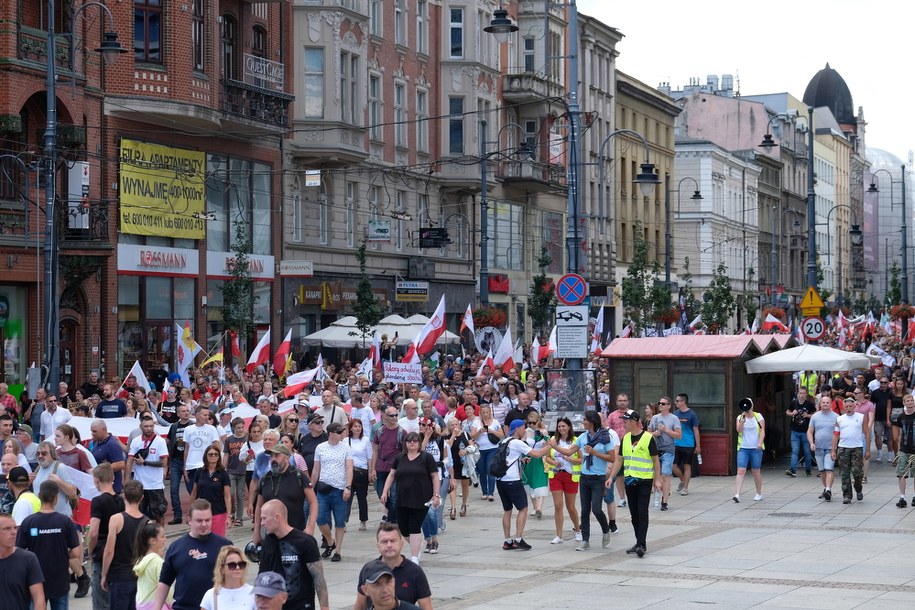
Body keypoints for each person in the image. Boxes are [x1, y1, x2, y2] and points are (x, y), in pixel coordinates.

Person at [152, 499, 232, 610]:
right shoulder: (176, 548)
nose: (204, 524)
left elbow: (235, 581)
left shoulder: (225, 546)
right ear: (189, 520)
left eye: (207, 520)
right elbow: (165, 582)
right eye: (199, 520)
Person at [17, 480, 87, 604]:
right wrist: (63, 555)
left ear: (39, 496)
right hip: (59, 579)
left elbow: (19, 551)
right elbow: (76, 552)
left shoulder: (28, 522)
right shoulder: (65, 522)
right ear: (55, 498)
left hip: (35, 578)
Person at [258, 499, 329, 610]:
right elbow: (262, 575)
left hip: (301, 605)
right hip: (275, 605)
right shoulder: (268, 542)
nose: (261, 523)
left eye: (264, 518)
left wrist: (324, 607)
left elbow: (318, 578)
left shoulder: (305, 541)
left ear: (277, 517)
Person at [559, 410, 614, 551]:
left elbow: (612, 458)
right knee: (584, 511)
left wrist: (595, 452)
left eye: (584, 420)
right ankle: (585, 541)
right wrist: (553, 446)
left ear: (592, 421)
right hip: (584, 477)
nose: (582, 422)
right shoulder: (582, 437)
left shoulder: (605, 437)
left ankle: (605, 528)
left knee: (596, 509)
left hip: (598, 478)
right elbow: (569, 451)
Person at [608, 409, 661, 558]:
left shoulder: (648, 438)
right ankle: (638, 541)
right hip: (630, 480)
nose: (623, 423)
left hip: (644, 480)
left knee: (642, 512)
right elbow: (619, 460)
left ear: (634, 421)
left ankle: (642, 544)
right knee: (634, 515)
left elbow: (655, 460)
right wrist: (611, 477)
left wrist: (657, 479)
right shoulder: (625, 438)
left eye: (626, 421)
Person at [380, 431, 439, 564]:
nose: (412, 443)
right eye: (409, 441)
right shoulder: (400, 458)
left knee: (414, 526)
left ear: (419, 443)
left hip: (421, 498)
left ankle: (414, 557)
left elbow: (435, 476)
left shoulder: (426, 457)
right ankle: (417, 544)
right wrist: (385, 491)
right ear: (405, 443)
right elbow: (391, 475)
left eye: (415, 441)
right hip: (403, 498)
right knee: (404, 528)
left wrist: (436, 495)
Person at [495, 419, 550, 552]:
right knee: (523, 508)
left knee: (507, 510)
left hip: (500, 480)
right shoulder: (517, 443)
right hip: (513, 480)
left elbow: (509, 458)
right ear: (517, 429)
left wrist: (521, 460)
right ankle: (518, 539)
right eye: (523, 428)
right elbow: (536, 454)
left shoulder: (503, 441)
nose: (525, 430)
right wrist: (550, 445)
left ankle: (507, 540)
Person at [353, 522, 432, 610]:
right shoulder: (369, 570)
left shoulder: (415, 571)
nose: (389, 545)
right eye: (384, 542)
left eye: (393, 541)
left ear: (401, 544)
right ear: (378, 546)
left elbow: (426, 607)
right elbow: (360, 605)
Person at [252, 444, 318, 547]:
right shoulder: (266, 479)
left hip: (295, 532)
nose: (273, 459)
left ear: (287, 457)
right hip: (270, 535)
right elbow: (259, 507)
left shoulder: (299, 476)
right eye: (272, 456)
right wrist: (256, 531)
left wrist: (310, 526)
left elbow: (313, 502)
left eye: (277, 456)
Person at [101, 480, 146, 609]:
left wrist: (104, 574)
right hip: (138, 576)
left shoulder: (116, 519)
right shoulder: (147, 522)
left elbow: (109, 550)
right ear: (142, 497)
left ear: (123, 496)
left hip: (119, 576)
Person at [312, 422, 353, 562]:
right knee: (320, 519)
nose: (342, 434)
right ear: (331, 434)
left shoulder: (346, 447)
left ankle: (338, 551)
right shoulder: (320, 447)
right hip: (323, 488)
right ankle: (330, 541)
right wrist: (311, 486)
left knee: (340, 521)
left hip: (339, 488)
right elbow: (316, 469)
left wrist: (348, 486)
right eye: (339, 432)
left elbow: (349, 468)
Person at [89, 463, 125, 610]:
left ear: (97, 480)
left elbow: (93, 532)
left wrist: (91, 551)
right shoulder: (121, 501)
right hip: (120, 553)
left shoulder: (98, 501)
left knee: (101, 600)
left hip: (102, 552)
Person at [544, 416, 582, 544]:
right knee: (558, 505)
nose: (561, 428)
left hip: (570, 476)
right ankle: (559, 535)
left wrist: (572, 460)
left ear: (569, 427)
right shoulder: (553, 440)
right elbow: (547, 458)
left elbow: (581, 459)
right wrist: (554, 462)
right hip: (556, 475)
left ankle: (578, 530)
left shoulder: (576, 441)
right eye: (559, 426)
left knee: (570, 506)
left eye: (563, 426)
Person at [126, 416, 169, 525]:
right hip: (140, 485)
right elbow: (129, 460)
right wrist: (126, 480)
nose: (149, 429)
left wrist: (145, 462)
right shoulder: (136, 441)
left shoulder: (160, 441)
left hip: (155, 485)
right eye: (146, 426)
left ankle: (160, 537)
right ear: (141, 427)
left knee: (159, 514)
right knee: (139, 515)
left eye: (151, 426)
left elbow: (163, 463)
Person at [0, 512, 45, 610]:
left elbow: (39, 597)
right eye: (7, 528)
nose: (13, 532)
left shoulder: (28, 559)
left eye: (15, 528)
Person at [832, 397, 869, 504]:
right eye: (847, 406)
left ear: (854, 406)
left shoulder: (861, 417)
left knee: (857, 472)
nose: (849, 408)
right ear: (844, 407)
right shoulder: (840, 419)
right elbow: (835, 435)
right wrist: (833, 450)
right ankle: (847, 495)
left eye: (851, 406)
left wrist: (867, 450)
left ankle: (858, 488)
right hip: (843, 448)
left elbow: (866, 433)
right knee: (844, 473)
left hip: (857, 447)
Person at [371, 405, 404, 524]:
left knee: (394, 495)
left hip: (395, 469)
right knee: (382, 494)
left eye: (396, 415)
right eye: (392, 415)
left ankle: (392, 520)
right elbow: (375, 450)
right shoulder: (380, 431)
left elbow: (404, 452)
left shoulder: (401, 432)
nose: (395, 417)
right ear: (385, 416)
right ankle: (396, 515)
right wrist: (373, 469)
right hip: (381, 467)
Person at [647, 397, 681, 511]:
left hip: (668, 449)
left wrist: (665, 430)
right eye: (659, 403)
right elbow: (647, 433)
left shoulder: (674, 418)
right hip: (655, 449)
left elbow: (678, 435)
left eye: (663, 403)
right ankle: (664, 492)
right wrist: (653, 433)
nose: (660, 405)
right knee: (656, 475)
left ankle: (664, 501)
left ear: (669, 406)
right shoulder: (654, 418)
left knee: (665, 475)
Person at [190, 446, 232, 536]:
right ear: (206, 456)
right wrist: (190, 513)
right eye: (210, 454)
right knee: (200, 540)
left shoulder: (223, 474)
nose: (213, 456)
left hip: (218, 512)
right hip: (201, 512)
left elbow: (227, 496)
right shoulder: (199, 472)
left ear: (219, 457)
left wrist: (229, 516)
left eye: (216, 454)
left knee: (217, 541)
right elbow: (193, 493)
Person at [199, 546, 254, 610]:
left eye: (241, 564)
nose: (237, 567)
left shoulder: (253, 593)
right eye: (232, 565)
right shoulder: (211, 595)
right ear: (222, 568)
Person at [733, 398, 765, 503]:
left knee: (756, 471)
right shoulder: (740, 417)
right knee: (741, 470)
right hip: (743, 448)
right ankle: (737, 494)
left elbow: (762, 431)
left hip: (756, 448)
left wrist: (760, 443)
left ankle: (759, 493)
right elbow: (739, 430)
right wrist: (742, 422)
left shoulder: (758, 416)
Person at [807, 395, 839, 502]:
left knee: (829, 469)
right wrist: (811, 443)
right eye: (823, 402)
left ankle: (829, 490)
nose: (825, 404)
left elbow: (838, 433)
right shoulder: (815, 417)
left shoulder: (836, 417)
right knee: (823, 471)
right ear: (820, 404)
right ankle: (825, 488)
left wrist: (835, 447)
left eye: (827, 403)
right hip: (818, 448)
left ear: (831, 404)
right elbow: (810, 431)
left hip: (830, 448)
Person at [165, 403, 193, 524]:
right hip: (176, 461)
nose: (186, 413)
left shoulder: (193, 425)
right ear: (178, 414)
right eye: (183, 411)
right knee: (173, 489)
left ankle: (194, 514)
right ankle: (177, 515)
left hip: (189, 461)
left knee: (192, 489)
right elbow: (168, 441)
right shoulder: (174, 426)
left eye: (187, 410)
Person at [133, 521, 170, 610]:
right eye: (162, 536)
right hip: (156, 605)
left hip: (142, 604)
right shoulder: (157, 562)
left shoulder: (141, 560)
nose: (165, 539)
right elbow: (166, 587)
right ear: (152, 540)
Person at [183, 406, 221, 492]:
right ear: (197, 415)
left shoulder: (212, 429)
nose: (207, 417)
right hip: (191, 467)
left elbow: (217, 447)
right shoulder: (188, 429)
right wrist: (185, 468)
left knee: (206, 494)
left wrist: (218, 465)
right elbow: (186, 449)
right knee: (193, 494)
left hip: (206, 466)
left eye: (208, 415)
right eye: (204, 415)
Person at [346, 418, 373, 531]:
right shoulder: (346, 441)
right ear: (351, 428)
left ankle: (363, 520)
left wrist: (371, 471)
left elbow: (369, 457)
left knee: (362, 498)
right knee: (347, 498)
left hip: (362, 471)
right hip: (350, 471)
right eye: (355, 426)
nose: (357, 428)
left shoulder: (365, 440)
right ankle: (344, 520)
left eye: (359, 426)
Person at [672, 393, 701, 496]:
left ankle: (685, 488)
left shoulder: (692, 414)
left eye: (677, 401)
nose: (675, 402)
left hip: (688, 444)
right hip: (676, 443)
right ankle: (683, 480)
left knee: (687, 466)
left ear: (683, 402)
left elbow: (696, 430)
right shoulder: (675, 414)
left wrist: (698, 446)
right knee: (673, 466)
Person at [90, 419, 127, 493]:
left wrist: (100, 470)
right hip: (101, 486)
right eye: (92, 431)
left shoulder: (112, 444)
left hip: (111, 489)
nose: (92, 434)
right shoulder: (98, 442)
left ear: (104, 429)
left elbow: (121, 464)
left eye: (95, 431)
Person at [892, 393, 915, 507]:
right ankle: (902, 497)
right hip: (904, 449)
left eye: (912, 400)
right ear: (904, 403)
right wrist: (898, 450)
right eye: (908, 401)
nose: (910, 402)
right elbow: (900, 434)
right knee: (901, 473)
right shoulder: (901, 417)